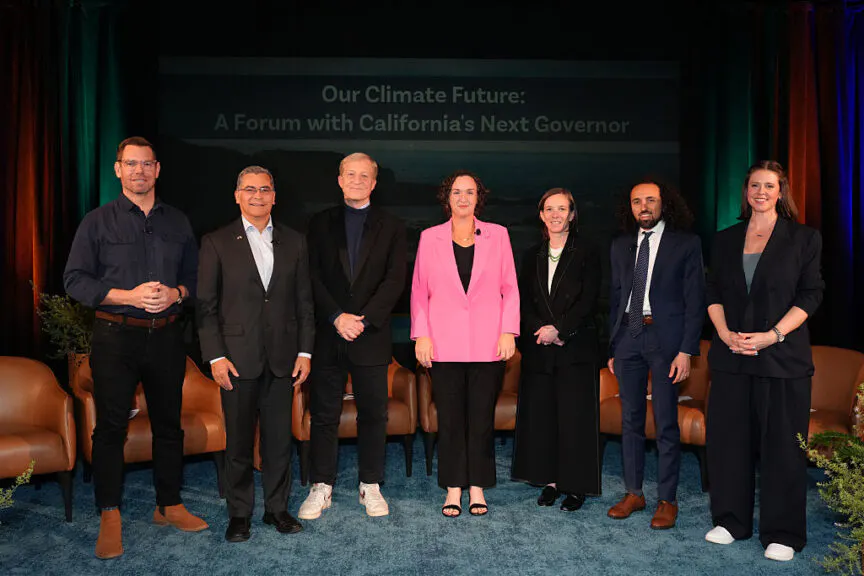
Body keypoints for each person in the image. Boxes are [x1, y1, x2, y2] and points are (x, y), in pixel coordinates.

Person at [64, 136, 207, 559]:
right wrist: (127, 296)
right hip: (115, 337)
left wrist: (176, 294)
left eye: (146, 164)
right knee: (110, 427)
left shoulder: (178, 222)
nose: (139, 171)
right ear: (118, 169)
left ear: (158, 169)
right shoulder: (97, 221)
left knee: (169, 425)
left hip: (166, 336)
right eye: (131, 164)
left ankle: (170, 504)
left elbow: (197, 282)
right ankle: (110, 514)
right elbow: (74, 280)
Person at [704, 161, 823, 562]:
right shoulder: (724, 239)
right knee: (728, 443)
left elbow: (810, 295)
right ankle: (730, 520)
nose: (761, 191)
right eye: (754, 184)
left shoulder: (803, 238)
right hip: (731, 356)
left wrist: (772, 336)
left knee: (783, 449)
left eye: (769, 185)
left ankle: (784, 533)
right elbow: (713, 290)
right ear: (746, 190)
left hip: (782, 359)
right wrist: (723, 334)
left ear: (780, 191)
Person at [197, 166, 314, 542]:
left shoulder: (295, 241)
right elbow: (205, 306)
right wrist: (215, 356)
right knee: (239, 444)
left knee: (280, 442)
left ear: (274, 196)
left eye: (265, 189)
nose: (258, 196)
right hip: (236, 361)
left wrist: (305, 351)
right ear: (237, 195)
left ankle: (277, 509)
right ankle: (239, 514)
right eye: (250, 189)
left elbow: (305, 303)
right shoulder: (216, 242)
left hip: (283, 360)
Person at [298, 152, 407, 519]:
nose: (357, 180)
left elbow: (395, 280)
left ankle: (370, 485)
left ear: (374, 183)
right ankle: (321, 486)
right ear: (340, 179)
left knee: (374, 414)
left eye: (365, 175)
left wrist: (364, 319)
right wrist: (335, 316)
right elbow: (311, 276)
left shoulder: (392, 225)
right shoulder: (318, 223)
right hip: (329, 335)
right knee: (325, 414)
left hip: (370, 334)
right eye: (350, 174)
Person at [411, 169, 519, 517]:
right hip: (443, 345)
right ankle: (453, 488)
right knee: (452, 419)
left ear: (478, 198)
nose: (462, 198)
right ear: (447, 198)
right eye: (456, 192)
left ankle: (478, 487)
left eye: (469, 192)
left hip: (490, 345)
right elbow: (419, 292)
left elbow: (510, 288)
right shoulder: (429, 238)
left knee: (481, 419)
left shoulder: (499, 235)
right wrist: (422, 335)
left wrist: (508, 331)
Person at [606, 180, 705, 530]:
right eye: (636, 201)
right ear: (629, 207)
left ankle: (667, 499)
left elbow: (696, 302)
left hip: (667, 342)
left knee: (665, 423)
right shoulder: (620, 245)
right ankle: (634, 492)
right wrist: (614, 345)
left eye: (650, 200)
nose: (643, 206)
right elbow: (616, 299)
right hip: (629, 338)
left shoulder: (686, 244)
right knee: (630, 421)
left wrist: (686, 352)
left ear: (665, 204)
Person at [511, 188, 602, 511]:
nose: (555, 215)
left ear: (573, 214)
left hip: (574, 346)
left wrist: (560, 330)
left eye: (562, 209)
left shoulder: (588, 251)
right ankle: (549, 481)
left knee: (575, 419)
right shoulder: (530, 254)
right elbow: (522, 298)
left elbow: (589, 299)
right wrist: (543, 331)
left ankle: (575, 486)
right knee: (543, 418)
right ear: (541, 214)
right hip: (540, 347)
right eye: (549, 209)